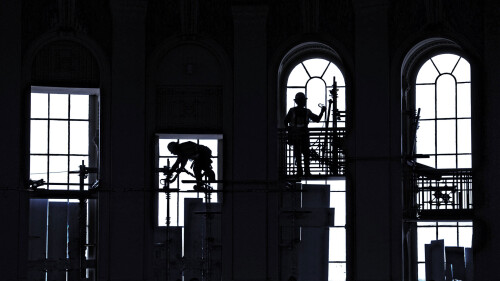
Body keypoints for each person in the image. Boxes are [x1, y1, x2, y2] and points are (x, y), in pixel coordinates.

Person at [284, 92, 326, 176]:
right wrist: (322, 111)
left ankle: (301, 171)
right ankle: (306, 171)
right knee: (304, 154)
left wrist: (289, 130)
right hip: (301, 136)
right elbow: (317, 119)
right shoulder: (306, 111)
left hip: (297, 136)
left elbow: (286, 121)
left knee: (300, 154)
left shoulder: (293, 111)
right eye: (303, 100)